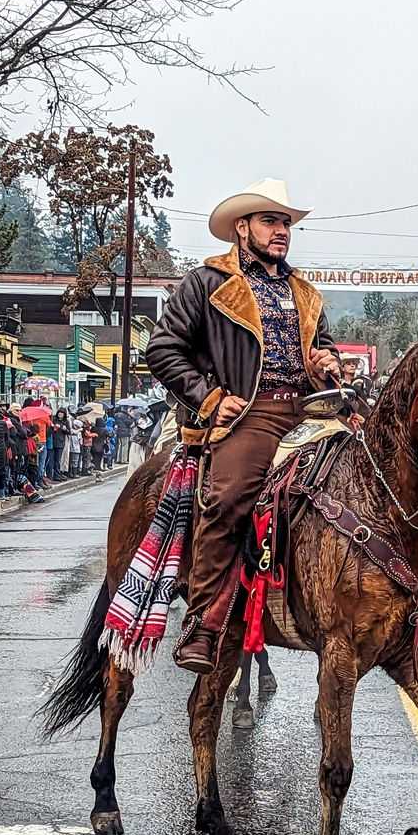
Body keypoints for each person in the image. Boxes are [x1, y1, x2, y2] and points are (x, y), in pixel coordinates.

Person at [145, 177, 340, 674]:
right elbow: (163, 351)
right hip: (248, 415)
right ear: (241, 228)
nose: (282, 232)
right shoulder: (207, 283)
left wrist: (327, 360)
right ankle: (204, 622)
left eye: (286, 223)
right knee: (228, 497)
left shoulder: (304, 292)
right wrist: (211, 400)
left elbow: (326, 346)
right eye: (271, 221)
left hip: (308, 409)